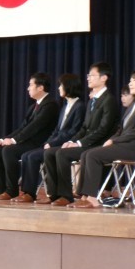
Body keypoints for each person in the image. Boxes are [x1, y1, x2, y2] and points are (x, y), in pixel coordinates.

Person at [69, 68, 135, 208]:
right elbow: (121, 130)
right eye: (130, 80)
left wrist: (114, 140)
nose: (130, 83)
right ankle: (84, 195)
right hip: (124, 144)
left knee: (93, 155)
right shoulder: (134, 103)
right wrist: (111, 139)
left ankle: (92, 198)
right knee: (86, 154)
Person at [42, 62, 119, 206]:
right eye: (88, 75)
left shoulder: (109, 100)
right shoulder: (92, 101)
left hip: (98, 145)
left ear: (104, 78)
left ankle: (66, 195)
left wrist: (79, 143)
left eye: (92, 75)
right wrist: (72, 141)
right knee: (50, 153)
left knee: (62, 154)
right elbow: (84, 128)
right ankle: (54, 193)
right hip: (86, 142)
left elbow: (103, 129)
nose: (88, 78)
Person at [14, 73, 85, 203]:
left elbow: (73, 131)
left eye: (61, 85)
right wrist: (49, 142)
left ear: (69, 86)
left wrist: (53, 143)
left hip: (67, 144)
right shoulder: (65, 106)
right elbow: (57, 130)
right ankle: (33, 193)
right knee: (27, 155)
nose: (58, 88)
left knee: (39, 155)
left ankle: (57, 194)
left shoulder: (79, 106)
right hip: (56, 143)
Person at [0, 72, 60, 201]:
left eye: (30, 85)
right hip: (27, 141)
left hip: (40, 143)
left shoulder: (50, 105)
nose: (28, 88)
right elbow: (22, 128)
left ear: (40, 87)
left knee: (9, 150)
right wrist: (3, 140)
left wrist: (14, 140)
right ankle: (1, 190)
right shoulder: (34, 106)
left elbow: (35, 127)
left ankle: (12, 191)